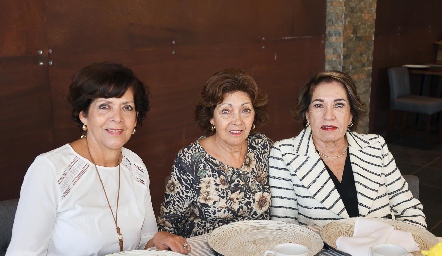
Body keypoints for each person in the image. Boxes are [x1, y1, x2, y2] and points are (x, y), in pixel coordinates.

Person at [6, 62, 191, 255]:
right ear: (84, 115)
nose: (117, 117)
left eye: (127, 107)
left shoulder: (134, 165)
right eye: (104, 106)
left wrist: (156, 239)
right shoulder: (50, 169)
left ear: (136, 118)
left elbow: (143, 239)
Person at [269, 70, 426, 229]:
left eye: (339, 105)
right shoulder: (284, 154)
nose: (328, 116)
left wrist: (412, 247)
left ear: (351, 114)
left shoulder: (376, 146)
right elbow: (284, 228)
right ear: (307, 115)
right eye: (318, 105)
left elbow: (409, 209)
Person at [157, 68, 273, 238]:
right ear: (212, 118)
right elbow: (168, 227)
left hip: (259, 246)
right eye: (226, 111)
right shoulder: (191, 159)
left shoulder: (263, 147)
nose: (237, 120)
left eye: (245, 110)